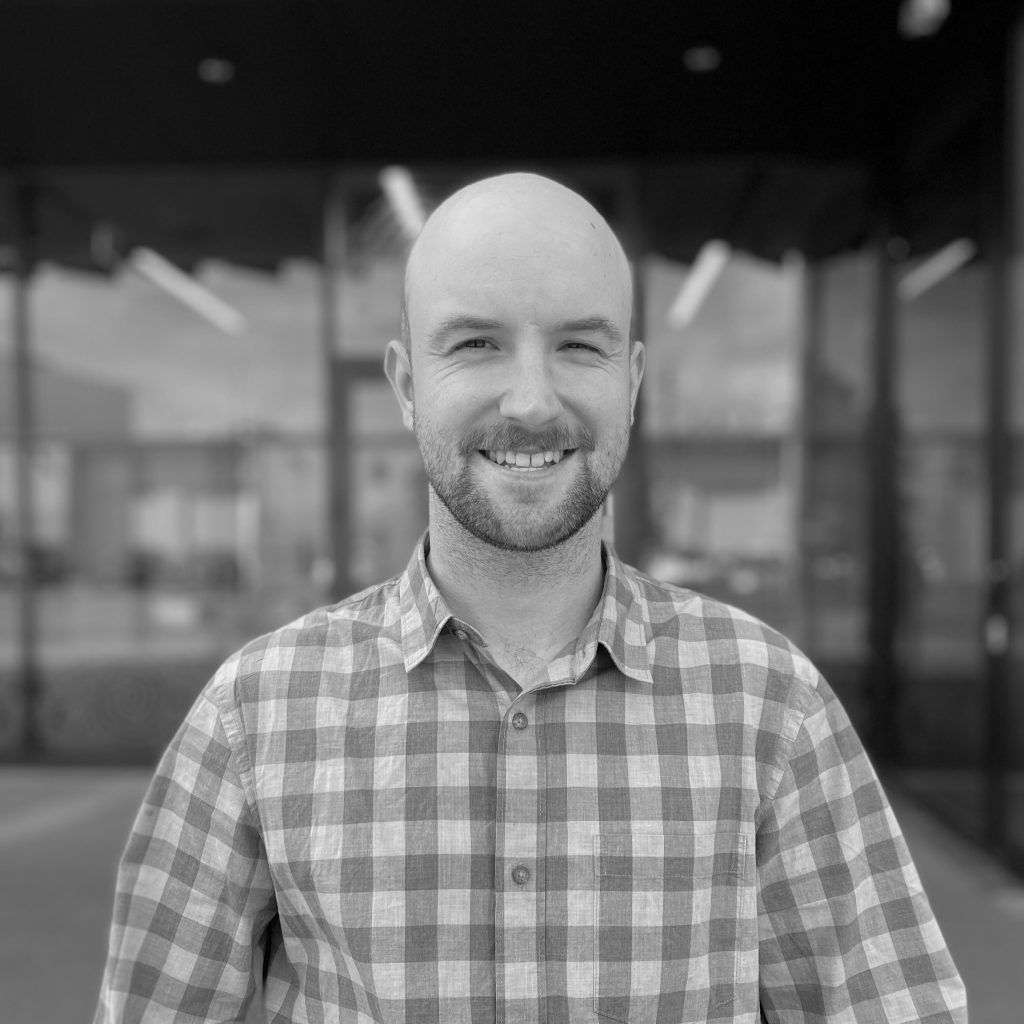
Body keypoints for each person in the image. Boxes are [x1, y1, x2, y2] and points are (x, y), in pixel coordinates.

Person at [95, 173, 967, 1024]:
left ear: (631, 384)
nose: (531, 401)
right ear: (406, 385)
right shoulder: (255, 714)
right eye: (477, 343)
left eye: (579, 346)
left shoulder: (770, 702)